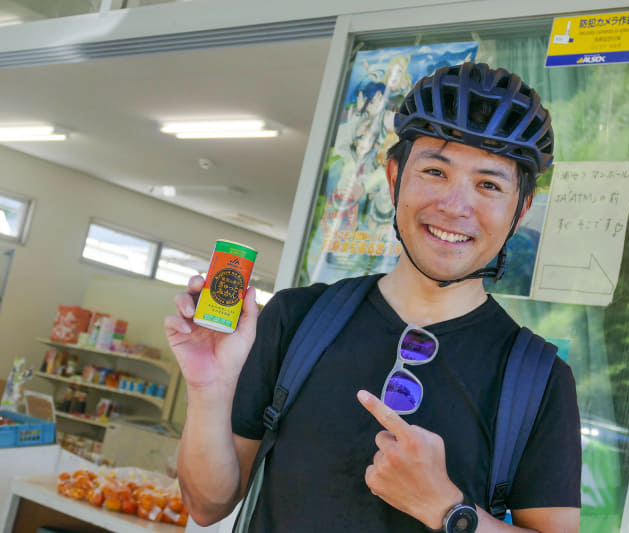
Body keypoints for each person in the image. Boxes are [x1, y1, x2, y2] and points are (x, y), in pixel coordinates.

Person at [165, 62, 581, 533]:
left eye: (488, 185)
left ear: (521, 209)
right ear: (393, 175)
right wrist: (208, 390)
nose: (455, 206)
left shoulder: (539, 380)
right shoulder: (297, 318)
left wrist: (448, 511)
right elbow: (207, 505)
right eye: (434, 171)